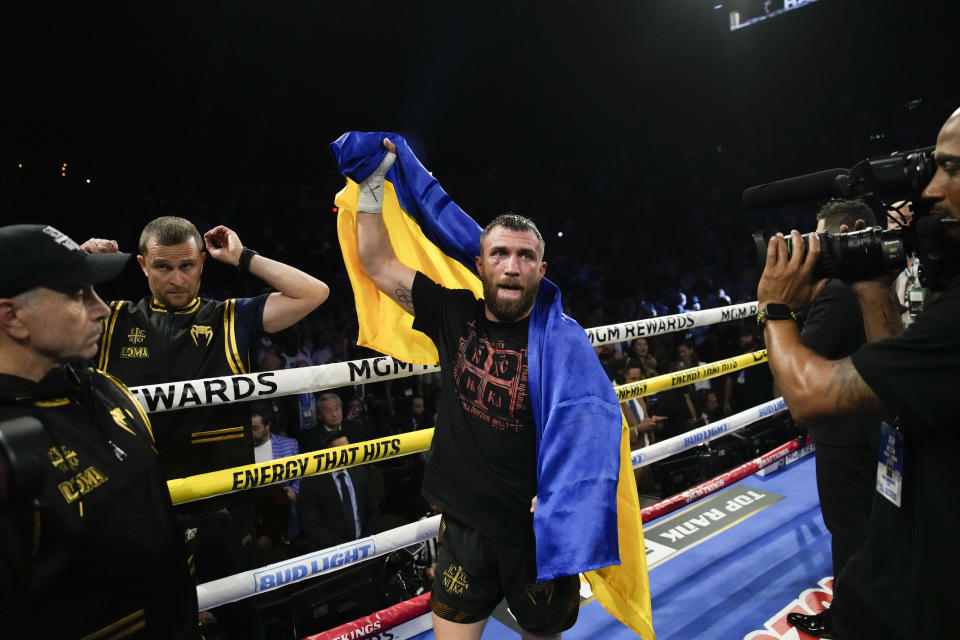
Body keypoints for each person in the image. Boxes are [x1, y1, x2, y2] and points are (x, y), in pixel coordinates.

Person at [355, 139, 581, 640]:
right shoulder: (450, 310)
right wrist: (373, 182)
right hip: (464, 527)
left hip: (536, 532)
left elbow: (591, 420)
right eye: (498, 252)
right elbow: (376, 261)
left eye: (526, 256)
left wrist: (564, 488)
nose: (512, 265)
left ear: (542, 270)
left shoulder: (562, 340)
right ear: (480, 264)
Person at [755, 108, 960, 639]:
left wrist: (777, 311)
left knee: (849, 529)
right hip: (904, 565)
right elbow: (904, 386)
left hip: (920, 605)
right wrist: (870, 284)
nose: (931, 193)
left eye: (954, 170)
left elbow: (804, 395)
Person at [85, 216, 329, 638]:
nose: (176, 279)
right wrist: (75, 266)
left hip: (223, 509)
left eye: (187, 266)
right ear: (142, 265)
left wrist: (242, 257)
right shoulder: (111, 321)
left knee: (242, 622)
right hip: (143, 509)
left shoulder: (231, 318)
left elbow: (314, 292)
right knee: (159, 625)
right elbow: (23, 318)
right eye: (163, 267)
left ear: (202, 262)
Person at [0, 224, 198, 639]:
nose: (102, 309)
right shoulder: (7, 449)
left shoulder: (110, 392)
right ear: (13, 317)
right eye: (77, 294)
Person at [795, 199, 882, 625]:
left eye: (825, 238)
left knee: (849, 527)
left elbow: (794, 374)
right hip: (877, 425)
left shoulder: (838, 292)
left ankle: (849, 621)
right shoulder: (882, 278)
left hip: (846, 434)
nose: (819, 249)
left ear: (856, 230)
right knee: (871, 524)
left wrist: (778, 309)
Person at [297, 430, 380, 550]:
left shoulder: (359, 471)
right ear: (328, 454)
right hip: (331, 552)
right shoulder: (311, 482)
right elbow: (312, 527)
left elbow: (373, 510)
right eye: (342, 451)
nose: (348, 454)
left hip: (365, 546)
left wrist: (365, 542)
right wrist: (345, 549)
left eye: (349, 449)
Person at [251, 403, 301, 554]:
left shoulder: (289, 445)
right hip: (255, 512)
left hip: (283, 510)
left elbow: (301, 474)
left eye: (255, 428)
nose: (251, 433)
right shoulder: (242, 449)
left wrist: (295, 491)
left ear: (268, 426)